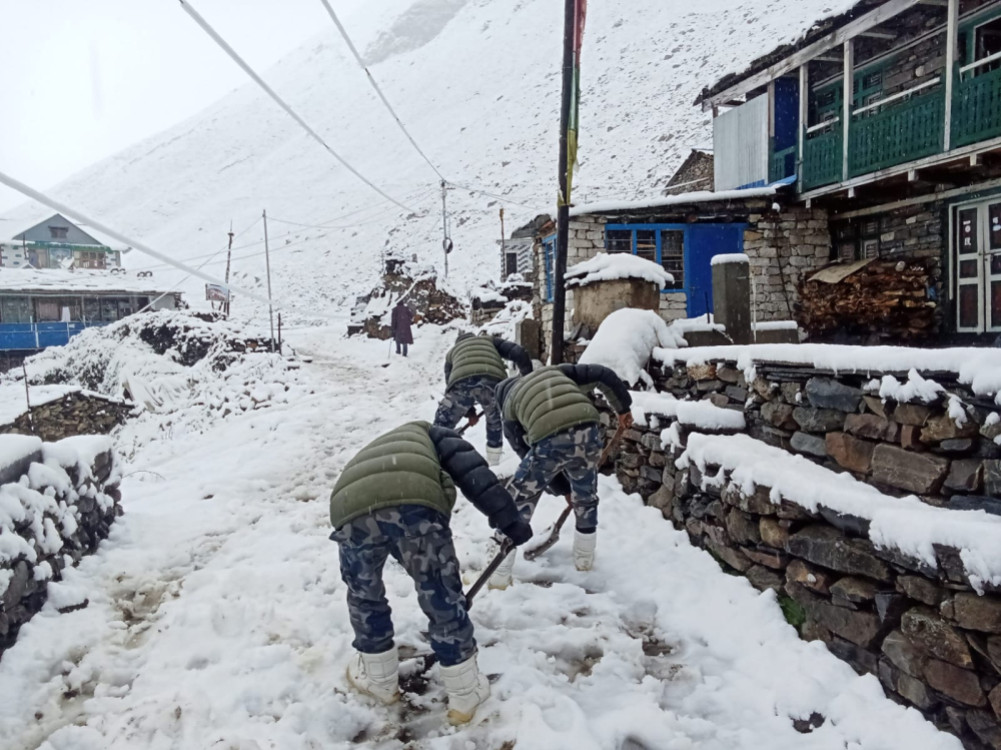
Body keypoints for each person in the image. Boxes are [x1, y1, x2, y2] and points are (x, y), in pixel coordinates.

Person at [329, 420, 532, 724]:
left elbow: (382, 502)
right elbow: (475, 475)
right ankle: (465, 693)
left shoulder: (380, 450)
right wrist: (509, 521)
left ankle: (379, 680)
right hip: (415, 504)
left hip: (349, 508)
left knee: (363, 593)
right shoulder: (435, 434)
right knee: (441, 594)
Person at [488, 364, 633, 589]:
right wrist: (623, 408)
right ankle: (584, 560)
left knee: (520, 498)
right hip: (588, 428)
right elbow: (603, 375)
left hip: (549, 438)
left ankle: (497, 575)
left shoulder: (509, 409)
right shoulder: (556, 372)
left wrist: (562, 489)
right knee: (585, 496)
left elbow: (529, 458)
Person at [434, 332, 533, 466]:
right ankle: (494, 461)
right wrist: (527, 378)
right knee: (494, 420)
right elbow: (518, 352)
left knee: (441, 425)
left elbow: (450, 383)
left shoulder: (451, 353)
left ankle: (433, 454)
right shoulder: (489, 340)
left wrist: (469, 412)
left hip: (460, 383)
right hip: (492, 380)